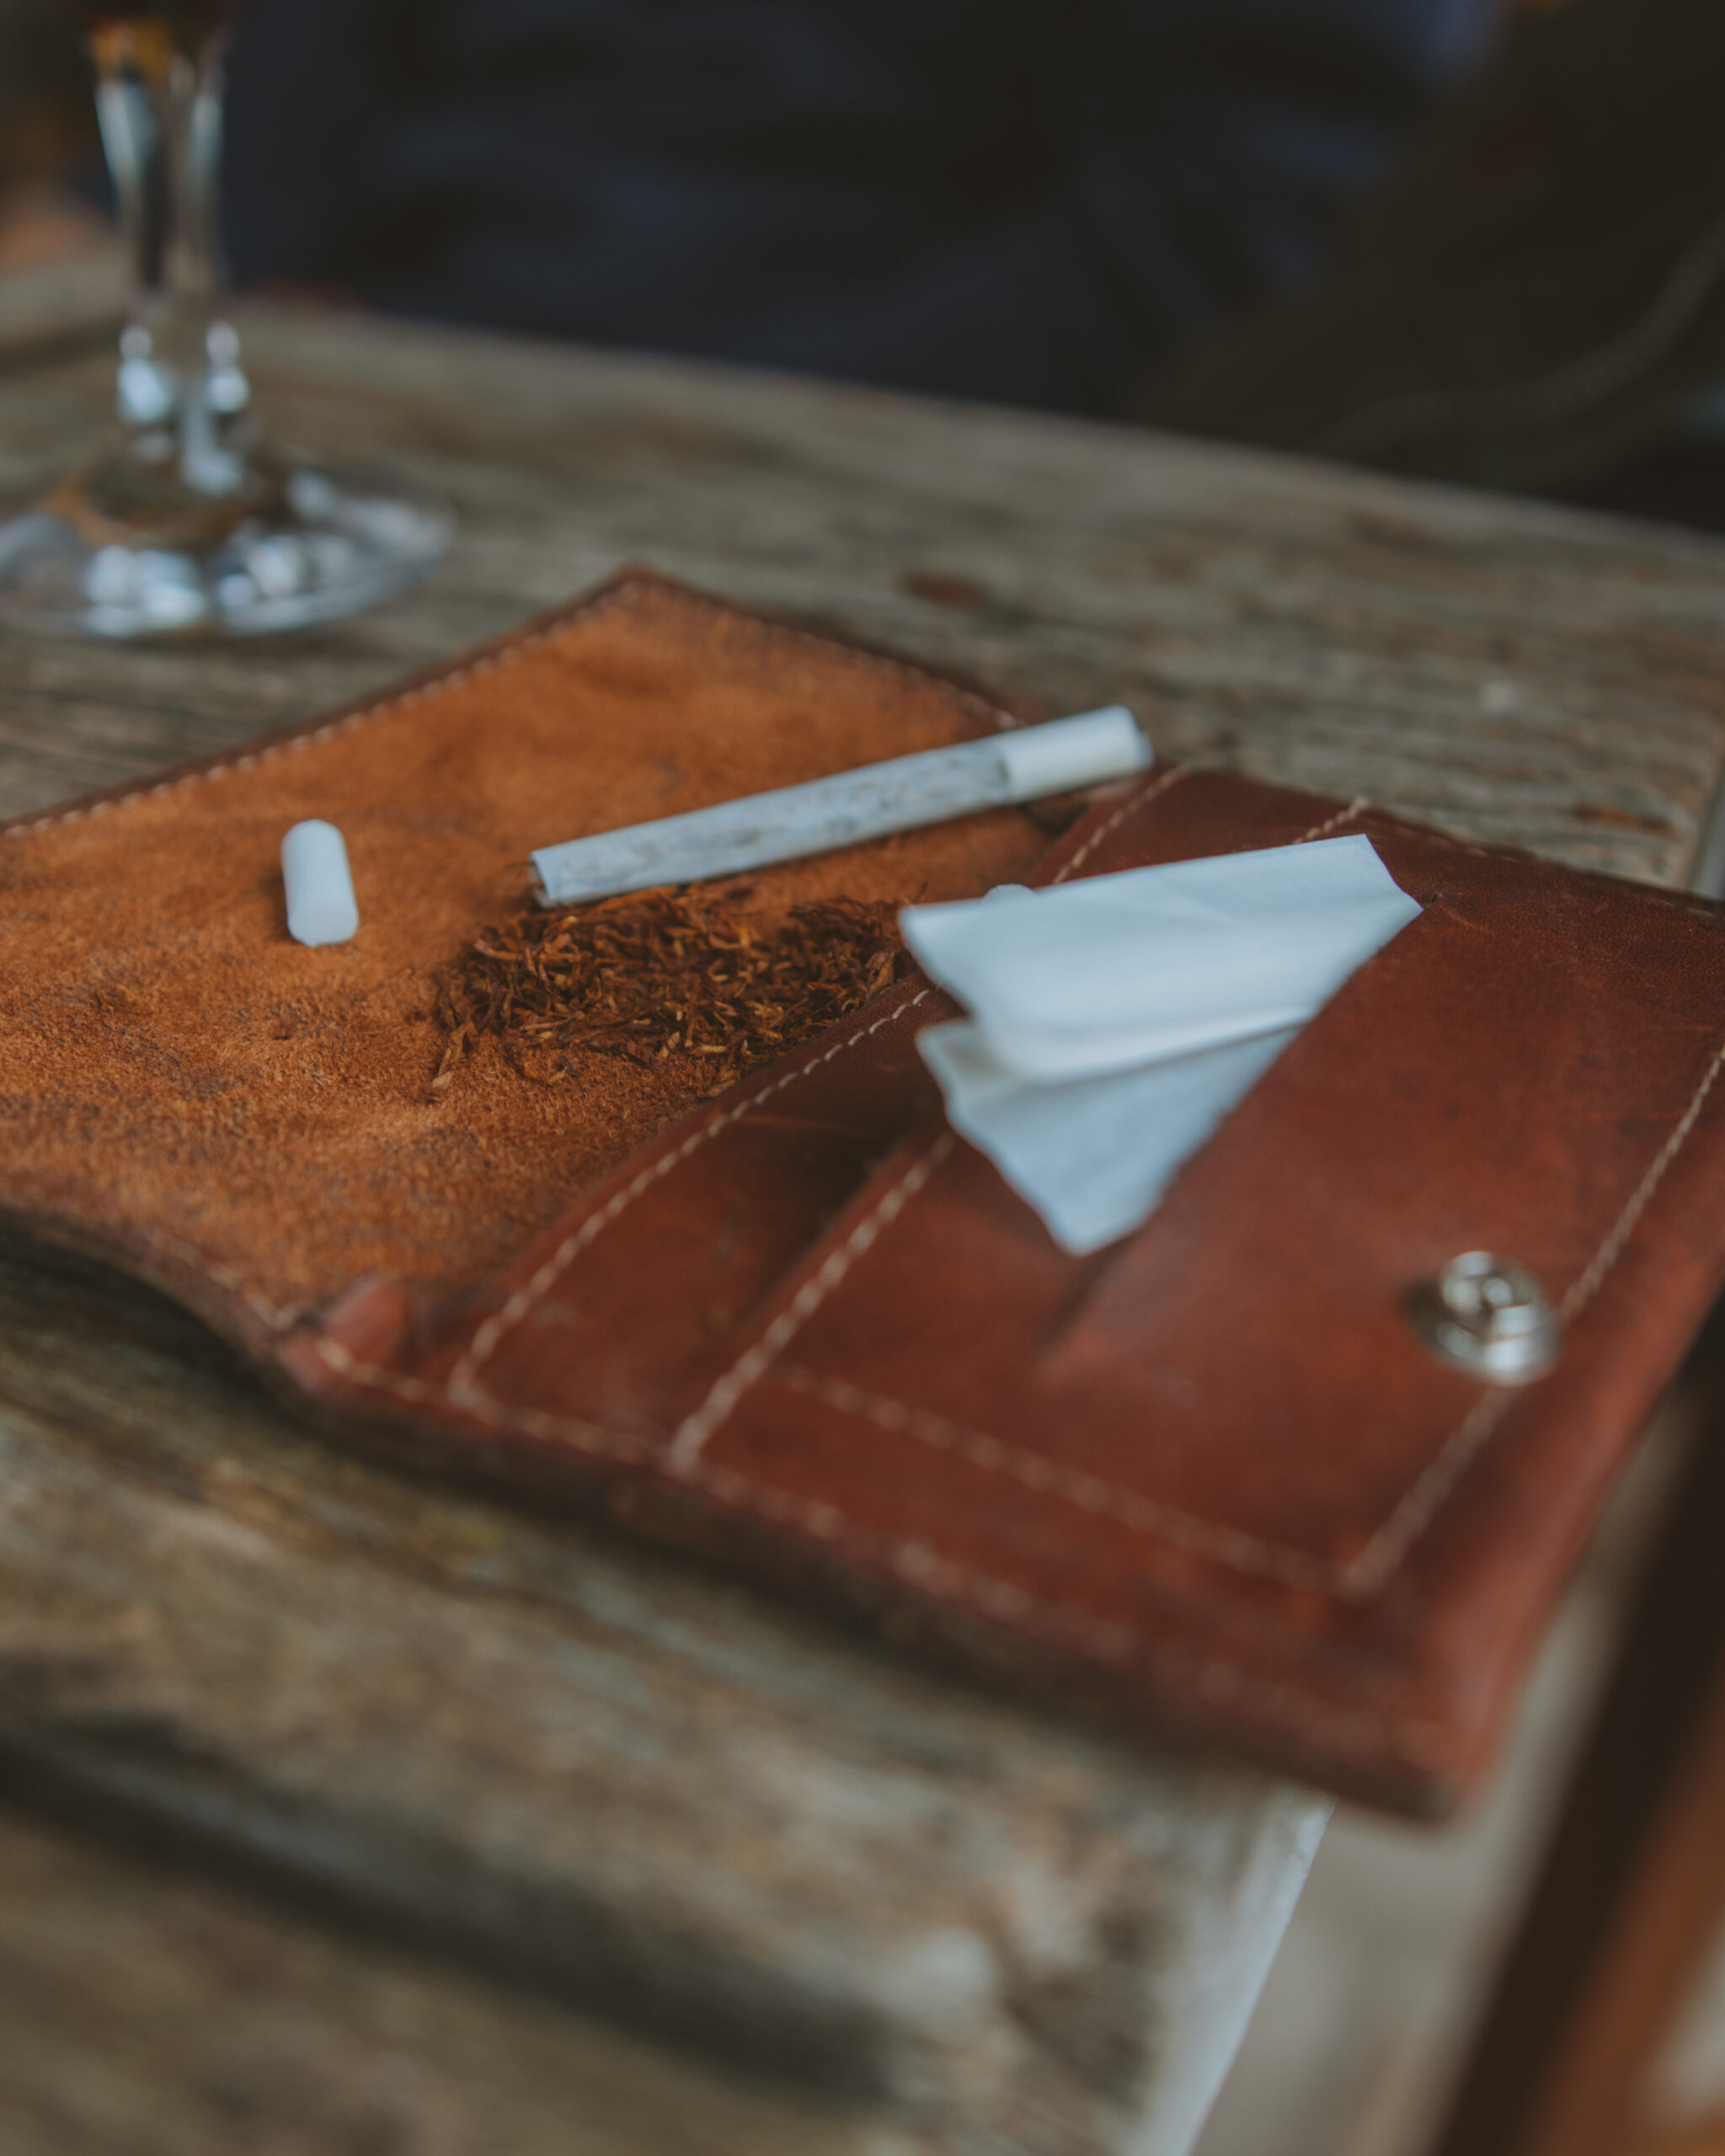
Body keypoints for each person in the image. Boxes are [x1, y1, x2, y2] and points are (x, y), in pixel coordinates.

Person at [222, 0, 1498, 417]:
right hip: (355, 381)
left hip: (840, 442)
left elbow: (1231, 202)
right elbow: (318, 44)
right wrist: (207, 266)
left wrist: (655, 413)